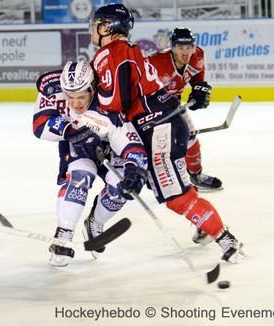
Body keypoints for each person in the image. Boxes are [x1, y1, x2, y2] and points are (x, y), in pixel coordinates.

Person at [88, 3, 245, 263]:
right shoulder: (125, 50)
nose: (92, 30)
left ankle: (224, 237)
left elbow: (115, 102)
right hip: (157, 125)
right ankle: (94, 222)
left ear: (108, 27)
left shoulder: (110, 53)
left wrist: (100, 129)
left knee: (175, 196)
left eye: (95, 25)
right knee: (133, 184)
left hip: (154, 128)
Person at [33, 60, 148, 266]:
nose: (76, 103)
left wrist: (135, 170)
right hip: (78, 147)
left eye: (81, 97)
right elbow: (39, 124)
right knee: (80, 175)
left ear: (92, 89)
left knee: (120, 188)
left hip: (111, 150)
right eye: (71, 97)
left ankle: (95, 222)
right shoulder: (55, 92)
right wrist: (71, 131)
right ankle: (64, 233)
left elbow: (130, 144)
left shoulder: (108, 104)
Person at [148, 27, 222, 192]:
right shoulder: (156, 63)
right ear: (172, 47)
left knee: (191, 139)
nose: (185, 52)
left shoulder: (198, 56)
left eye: (189, 47)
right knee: (165, 147)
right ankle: (163, 180)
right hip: (152, 108)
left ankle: (196, 175)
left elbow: (197, 78)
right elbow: (141, 89)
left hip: (174, 105)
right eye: (181, 47)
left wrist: (198, 90)